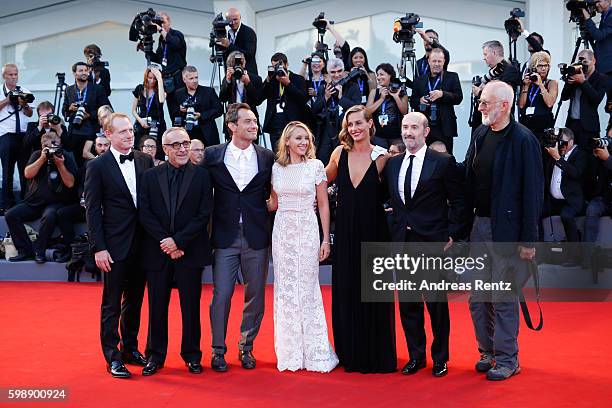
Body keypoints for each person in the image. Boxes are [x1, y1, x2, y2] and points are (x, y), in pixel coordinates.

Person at [463, 81, 544, 381]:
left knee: (503, 296)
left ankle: (509, 359)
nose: (480, 107)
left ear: (505, 105)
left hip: (508, 231)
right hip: (479, 227)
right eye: (481, 102)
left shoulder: (524, 140)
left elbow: (533, 193)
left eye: (485, 102)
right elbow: (468, 180)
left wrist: (528, 240)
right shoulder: (481, 134)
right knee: (478, 298)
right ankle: (488, 351)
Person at [383, 112, 465, 377]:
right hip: (403, 243)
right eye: (405, 127)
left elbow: (460, 201)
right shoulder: (393, 165)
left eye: (414, 127)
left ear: (426, 132)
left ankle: (440, 358)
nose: (408, 132)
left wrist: (452, 234)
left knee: (436, 304)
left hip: (431, 243)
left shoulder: (443, 162)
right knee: (408, 304)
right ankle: (416, 356)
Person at [203, 103, 275, 372]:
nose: (254, 125)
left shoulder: (266, 157)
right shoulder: (212, 155)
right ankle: (218, 350)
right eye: (247, 121)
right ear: (232, 126)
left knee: (255, 296)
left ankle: (247, 348)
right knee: (221, 295)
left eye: (255, 121)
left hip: (256, 236)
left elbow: (276, 189)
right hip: (224, 236)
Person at [325, 105, 396, 373]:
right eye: (350, 124)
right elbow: (320, 180)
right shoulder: (339, 153)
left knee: (373, 292)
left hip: (374, 231)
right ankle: (349, 352)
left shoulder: (382, 157)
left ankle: (376, 354)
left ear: (370, 124)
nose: (354, 128)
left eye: (358, 123)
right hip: (344, 232)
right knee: (347, 288)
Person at [138, 127, 213, 376]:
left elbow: (204, 214)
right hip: (158, 251)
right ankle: (155, 356)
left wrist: (178, 242)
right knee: (157, 306)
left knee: (190, 307)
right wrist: (166, 242)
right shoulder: (149, 176)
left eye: (186, 143)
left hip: (189, 251)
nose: (182, 149)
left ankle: (192, 355)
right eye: (176, 145)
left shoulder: (202, 176)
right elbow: (145, 213)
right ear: (165, 149)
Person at [84, 112, 154, 378]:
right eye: (123, 131)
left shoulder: (145, 160)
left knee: (135, 300)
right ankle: (112, 356)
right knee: (112, 303)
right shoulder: (97, 166)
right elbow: (92, 210)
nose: (129, 135)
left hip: (143, 243)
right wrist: (98, 247)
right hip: (113, 246)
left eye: (130, 130)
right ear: (108, 134)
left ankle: (130, 348)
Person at [267, 121, 338, 373]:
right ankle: (290, 352)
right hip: (283, 231)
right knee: (285, 289)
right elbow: (273, 203)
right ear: (286, 141)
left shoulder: (316, 167)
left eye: (306, 138)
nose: (303, 143)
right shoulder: (277, 168)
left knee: (307, 288)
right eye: (298, 138)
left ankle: (315, 352)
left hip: (307, 228)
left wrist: (325, 238)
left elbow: (323, 204)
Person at [5, 130, 76, 263]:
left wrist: (60, 165)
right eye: (46, 146)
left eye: (53, 145)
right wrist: (42, 158)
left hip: (56, 202)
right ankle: (25, 250)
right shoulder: (37, 155)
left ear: (59, 143)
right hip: (34, 202)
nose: (50, 149)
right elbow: (27, 174)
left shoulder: (65, 156)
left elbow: (70, 183)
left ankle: (40, 251)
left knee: (49, 216)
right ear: (42, 146)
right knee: (10, 215)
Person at [543, 128, 588, 264]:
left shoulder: (580, 155)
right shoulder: (554, 151)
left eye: (563, 143)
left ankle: (574, 257)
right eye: (559, 142)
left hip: (572, 200)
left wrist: (557, 157)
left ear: (571, 142)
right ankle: (538, 251)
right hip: (554, 200)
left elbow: (576, 173)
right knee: (534, 212)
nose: (560, 146)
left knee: (567, 216)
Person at [56, 135, 109, 250]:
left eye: (106, 145)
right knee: (62, 213)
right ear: (95, 147)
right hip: (88, 206)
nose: (103, 148)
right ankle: (72, 249)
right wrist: (83, 197)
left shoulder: (115, 165)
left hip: (107, 207)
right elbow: (81, 185)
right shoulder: (88, 164)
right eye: (100, 145)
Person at [410, 48, 463, 154]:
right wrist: (420, 100)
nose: (437, 64)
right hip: (424, 126)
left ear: (444, 61)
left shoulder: (452, 77)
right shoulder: (419, 80)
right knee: (423, 156)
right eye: (434, 61)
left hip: (445, 127)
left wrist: (442, 94)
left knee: (446, 157)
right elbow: (412, 101)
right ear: (429, 61)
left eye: (439, 61)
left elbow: (458, 98)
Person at [312, 58, 361, 165]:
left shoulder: (353, 87)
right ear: (328, 73)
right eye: (333, 72)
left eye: (339, 71)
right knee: (324, 159)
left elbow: (357, 109)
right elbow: (314, 110)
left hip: (346, 130)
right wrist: (325, 97)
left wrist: (341, 98)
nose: (337, 75)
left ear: (344, 71)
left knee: (344, 161)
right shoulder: (323, 87)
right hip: (326, 129)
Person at [0, 63, 33, 214]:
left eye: (16, 74)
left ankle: (26, 201)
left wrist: (24, 104)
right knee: (7, 170)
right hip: (6, 134)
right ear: (4, 76)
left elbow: (30, 114)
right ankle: (8, 204)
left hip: (23, 135)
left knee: (24, 169)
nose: (14, 77)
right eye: (10, 75)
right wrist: (8, 99)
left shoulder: (24, 91)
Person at [62, 61, 109, 165]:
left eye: (86, 70)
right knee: (75, 164)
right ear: (74, 73)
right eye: (81, 70)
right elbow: (64, 110)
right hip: (74, 132)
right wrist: (70, 108)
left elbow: (106, 109)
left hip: (91, 131)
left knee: (90, 164)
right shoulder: (68, 90)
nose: (84, 73)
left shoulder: (97, 89)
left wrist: (90, 115)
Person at [261, 52, 308, 153]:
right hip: (275, 126)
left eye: (279, 66)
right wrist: (268, 79)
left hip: (292, 124)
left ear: (287, 65)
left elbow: (303, 99)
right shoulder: (272, 80)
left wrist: (288, 84)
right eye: (274, 67)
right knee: (278, 157)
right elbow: (260, 96)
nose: (277, 69)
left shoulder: (297, 79)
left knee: (293, 155)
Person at [561, 49, 608, 149]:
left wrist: (583, 82)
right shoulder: (575, 75)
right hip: (572, 124)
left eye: (585, 62)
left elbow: (596, 100)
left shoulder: (601, 78)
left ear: (593, 61)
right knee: (570, 157)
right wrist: (569, 82)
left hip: (588, 127)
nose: (582, 65)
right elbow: (564, 97)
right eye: (580, 62)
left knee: (589, 158)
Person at [21, 101, 68, 197]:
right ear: (38, 116)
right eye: (43, 116)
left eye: (49, 115)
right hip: (37, 160)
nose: (46, 118)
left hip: (55, 161)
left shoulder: (60, 126)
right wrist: (39, 127)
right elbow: (26, 144)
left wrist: (59, 129)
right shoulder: (32, 126)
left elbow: (69, 145)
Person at [470, 41, 521, 131]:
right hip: (484, 122)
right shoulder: (491, 73)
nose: (484, 58)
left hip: (497, 123)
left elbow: (502, 97)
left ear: (494, 53)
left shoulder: (510, 71)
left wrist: (479, 93)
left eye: (485, 54)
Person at [172, 66, 223, 147]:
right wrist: (180, 110)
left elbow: (219, 110)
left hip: (207, 134)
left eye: (196, 77)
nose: (195, 81)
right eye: (191, 78)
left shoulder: (208, 91)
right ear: (184, 79)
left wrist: (201, 115)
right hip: (188, 133)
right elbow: (174, 113)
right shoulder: (178, 94)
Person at [149, 11, 187, 116]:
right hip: (167, 79)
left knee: (181, 108)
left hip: (178, 77)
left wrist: (160, 29)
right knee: (173, 110)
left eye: (163, 22)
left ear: (169, 22)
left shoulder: (177, 34)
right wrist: (146, 50)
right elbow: (159, 58)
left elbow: (175, 43)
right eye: (159, 23)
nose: (161, 25)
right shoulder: (161, 39)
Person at [219, 51, 263, 138]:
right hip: (233, 118)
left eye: (240, 63)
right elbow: (222, 98)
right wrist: (227, 81)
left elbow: (258, 100)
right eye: (234, 64)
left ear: (244, 63)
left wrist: (248, 83)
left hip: (250, 117)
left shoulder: (255, 79)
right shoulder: (228, 78)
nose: (238, 67)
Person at [518, 51, 558, 144]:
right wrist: (526, 86)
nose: (544, 69)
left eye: (546, 66)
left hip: (543, 125)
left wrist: (540, 85)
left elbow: (549, 103)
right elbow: (521, 105)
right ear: (533, 68)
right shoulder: (528, 83)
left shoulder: (551, 83)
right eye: (540, 66)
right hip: (527, 123)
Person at [366, 63, 408, 149]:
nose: (378, 77)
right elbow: (367, 111)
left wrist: (396, 97)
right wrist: (381, 99)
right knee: (380, 159)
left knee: (396, 159)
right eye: (377, 75)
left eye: (381, 74)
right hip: (378, 136)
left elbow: (405, 112)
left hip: (396, 136)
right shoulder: (374, 92)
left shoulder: (401, 90)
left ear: (390, 75)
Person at [131, 67, 167, 156]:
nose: (152, 81)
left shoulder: (160, 89)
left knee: (157, 150)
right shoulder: (139, 88)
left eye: (154, 78)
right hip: (142, 123)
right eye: (150, 78)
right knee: (140, 149)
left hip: (157, 124)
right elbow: (133, 110)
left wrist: (160, 79)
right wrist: (140, 120)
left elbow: (162, 100)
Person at [219, 7, 258, 75]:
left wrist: (229, 46)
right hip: (232, 75)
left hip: (248, 75)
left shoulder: (249, 32)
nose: (233, 23)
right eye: (230, 20)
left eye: (235, 19)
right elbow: (228, 53)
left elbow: (249, 55)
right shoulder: (228, 33)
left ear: (240, 18)